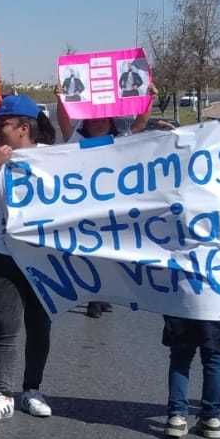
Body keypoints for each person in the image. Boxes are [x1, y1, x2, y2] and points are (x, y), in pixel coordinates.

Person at [0, 94, 59, 421]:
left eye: (1, 124)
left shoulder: (56, 158)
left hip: (42, 259)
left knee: (39, 327)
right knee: (6, 327)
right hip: (3, 256)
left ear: (23, 128)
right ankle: (3, 394)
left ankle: (32, 390)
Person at [56, 80, 153, 317]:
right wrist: (61, 99)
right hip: (86, 206)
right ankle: (93, 298)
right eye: (94, 120)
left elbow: (141, 123)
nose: (98, 123)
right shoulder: (76, 139)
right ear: (87, 123)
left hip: (113, 205)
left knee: (111, 253)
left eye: (102, 119)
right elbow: (64, 121)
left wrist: (148, 97)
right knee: (91, 253)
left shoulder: (119, 139)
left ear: (110, 121)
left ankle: (104, 294)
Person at [162, 316, 220, 439]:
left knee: (180, 360)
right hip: (216, 309)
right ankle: (211, 417)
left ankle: (177, 416)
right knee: (213, 360)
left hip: (184, 309)